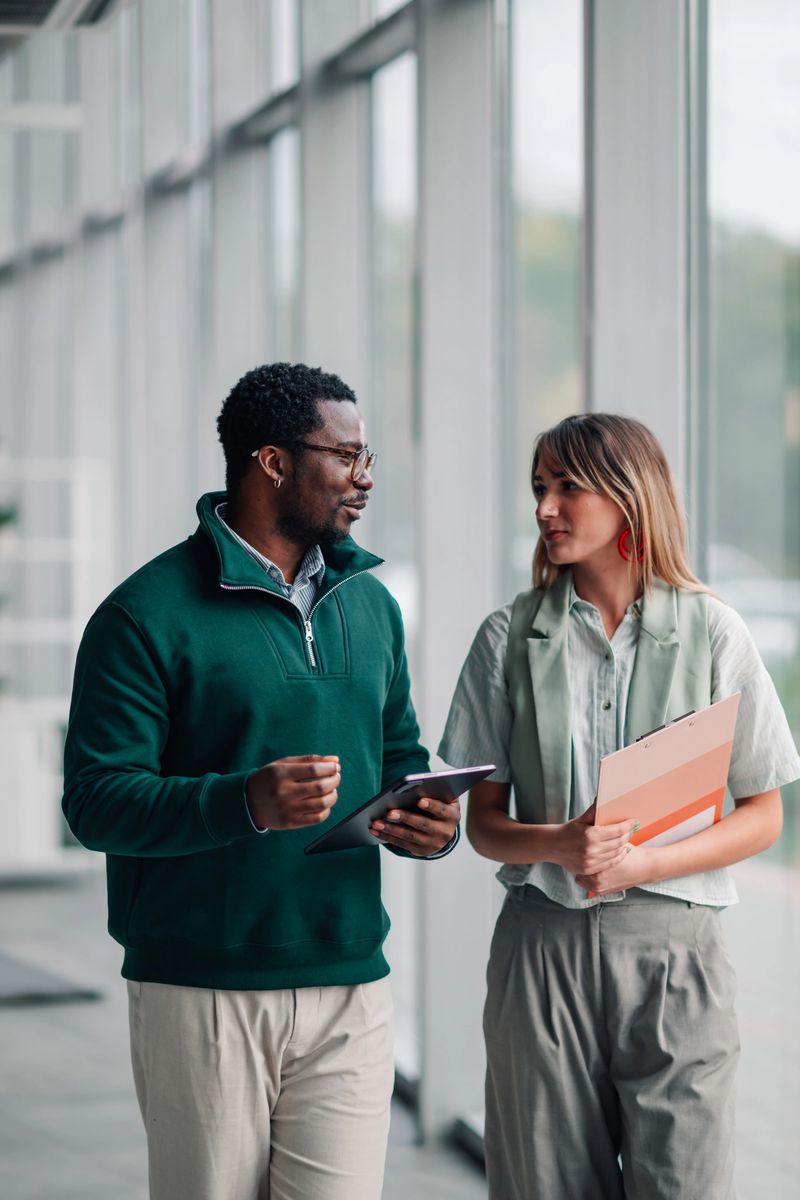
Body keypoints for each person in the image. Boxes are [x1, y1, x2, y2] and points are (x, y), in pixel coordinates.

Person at [62, 362, 460, 1200]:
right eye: (345, 457)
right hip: (201, 987)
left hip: (350, 977)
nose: (366, 478)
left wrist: (429, 819)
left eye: (368, 456)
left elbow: (399, 754)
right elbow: (97, 801)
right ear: (272, 461)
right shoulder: (143, 614)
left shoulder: (371, 606)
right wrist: (243, 801)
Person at [439, 413, 800, 1200]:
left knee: (685, 1186)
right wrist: (560, 843)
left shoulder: (712, 631)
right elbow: (485, 825)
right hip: (543, 953)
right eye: (539, 487)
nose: (545, 507)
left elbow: (763, 813)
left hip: (677, 955)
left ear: (629, 496)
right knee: (543, 1186)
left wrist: (650, 862)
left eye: (568, 486)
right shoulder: (508, 636)